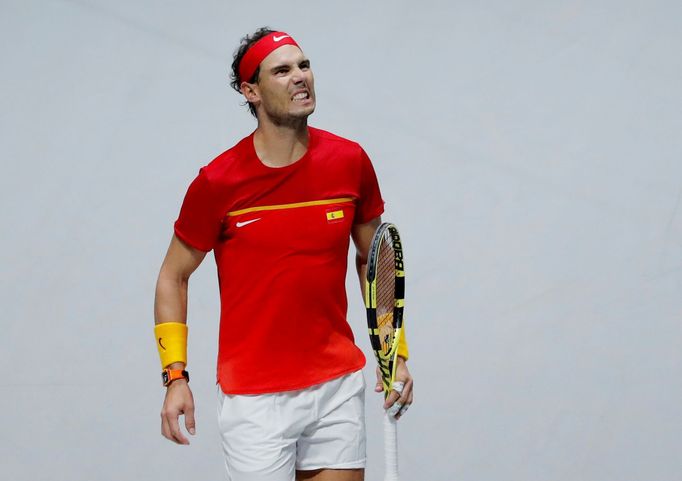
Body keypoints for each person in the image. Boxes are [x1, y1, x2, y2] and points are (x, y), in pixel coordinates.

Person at [153, 27, 414, 481]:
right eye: (282, 70)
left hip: (336, 384)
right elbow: (172, 277)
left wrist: (395, 352)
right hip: (255, 400)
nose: (300, 77)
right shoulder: (218, 183)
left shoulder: (349, 161)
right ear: (250, 91)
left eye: (304, 65)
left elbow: (375, 262)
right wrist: (175, 377)